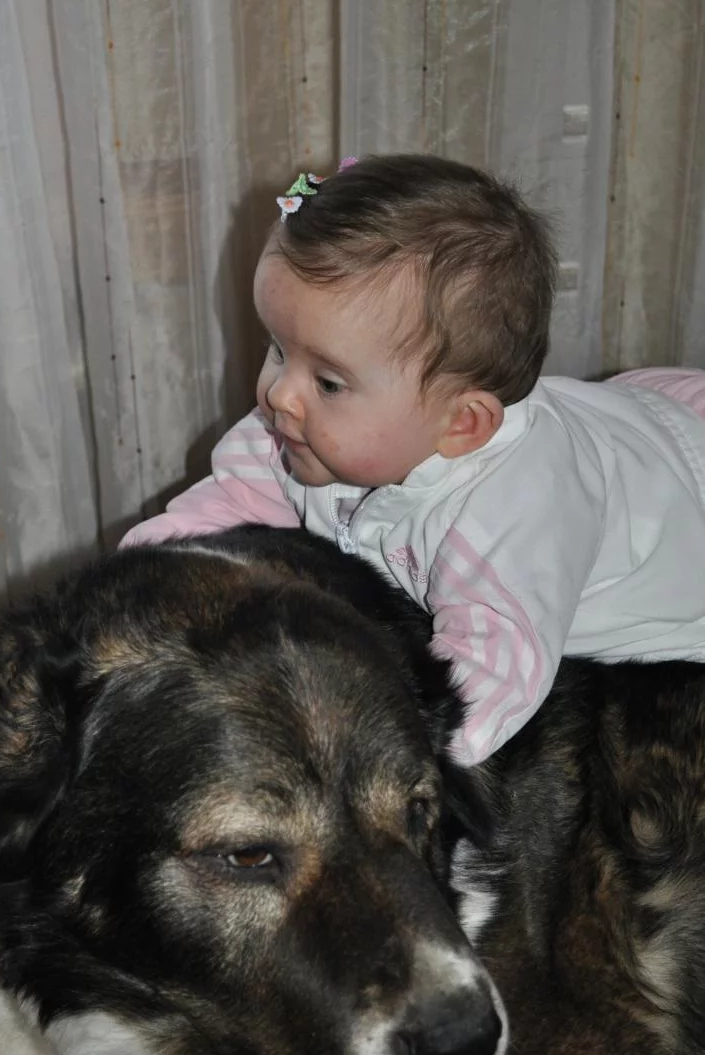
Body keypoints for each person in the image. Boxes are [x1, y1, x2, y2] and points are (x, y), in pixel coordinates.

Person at [122, 154, 705, 765]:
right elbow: (221, 514)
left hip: (677, 535)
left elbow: (486, 673)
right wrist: (139, 583)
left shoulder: (514, 514)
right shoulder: (303, 429)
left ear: (460, 425)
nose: (279, 395)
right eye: (278, 350)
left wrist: (381, 751)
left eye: (327, 382)